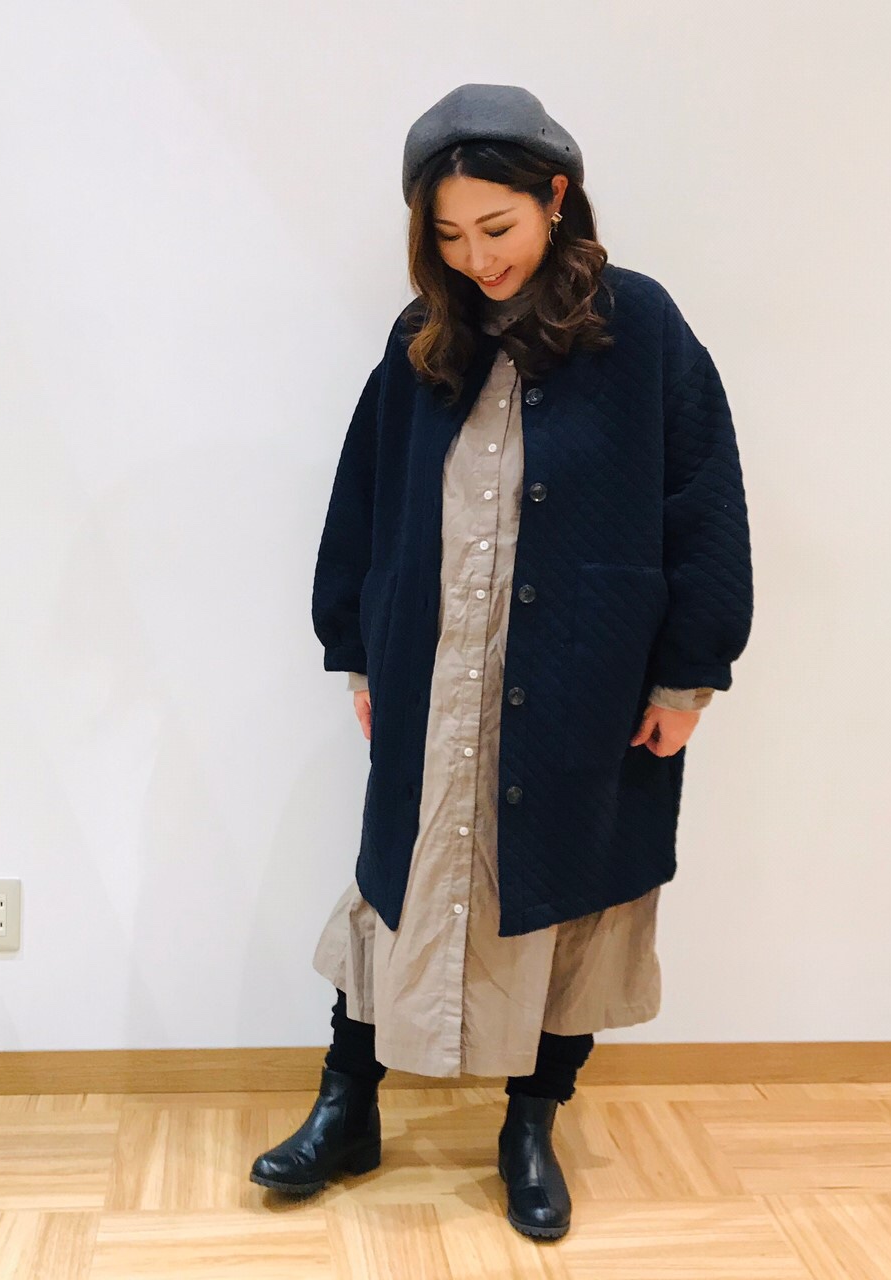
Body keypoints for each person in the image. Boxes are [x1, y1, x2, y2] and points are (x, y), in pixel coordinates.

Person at [250, 83, 753, 1241]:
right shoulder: (422, 338)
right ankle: (347, 1105)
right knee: (398, 883)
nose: (476, 258)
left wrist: (685, 675)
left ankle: (531, 1124)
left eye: (497, 227)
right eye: (447, 235)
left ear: (554, 197)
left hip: (587, 678)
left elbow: (701, 501)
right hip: (435, 675)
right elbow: (366, 498)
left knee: (572, 894)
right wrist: (358, 649)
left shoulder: (639, 326)